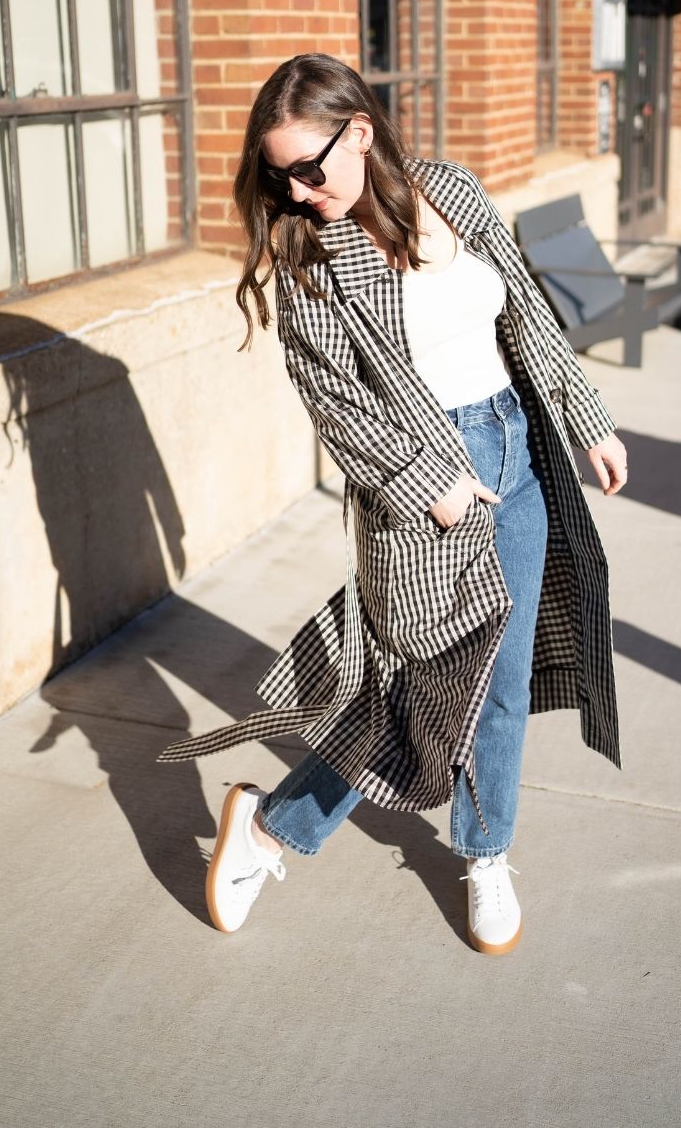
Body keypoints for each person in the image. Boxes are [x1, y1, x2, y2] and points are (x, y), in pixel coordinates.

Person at [155, 53, 630, 955]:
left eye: (309, 167)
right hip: (426, 497)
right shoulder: (311, 266)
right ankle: (268, 829)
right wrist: (434, 487)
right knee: (413, 693)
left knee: (501, 686)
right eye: (279, 175)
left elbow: (524, 309)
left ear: (360, 134)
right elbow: (341, 411)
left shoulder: (452, 189)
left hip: (518, 456)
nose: (295, 193)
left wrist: (586, 419)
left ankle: (486, 855)